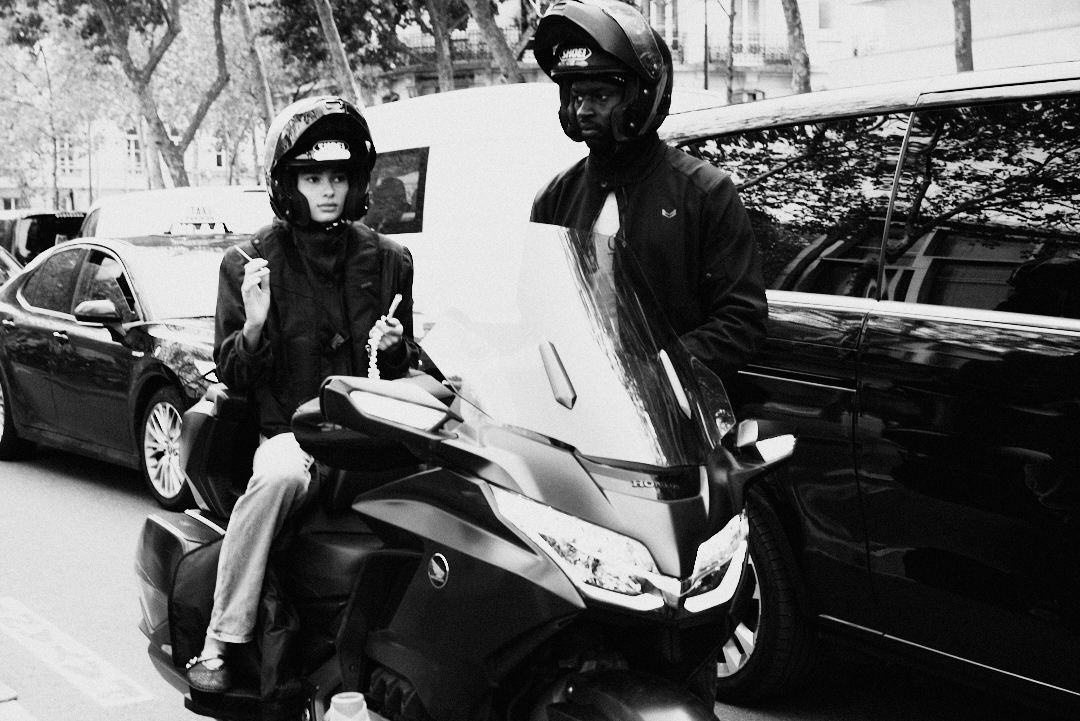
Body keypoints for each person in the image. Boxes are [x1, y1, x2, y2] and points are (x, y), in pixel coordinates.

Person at [185, 95, 419, 693]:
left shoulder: (390, 260)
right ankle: (220, 638)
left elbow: (402, 367)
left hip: (370, 436)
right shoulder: (250, 261)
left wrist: (395, 348)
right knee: (277, 479)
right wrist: (255, 324)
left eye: (338, 176)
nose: (327, 190)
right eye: (313, 178)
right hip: (293, 436)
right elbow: (233, 373)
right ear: (288, 184)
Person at [530, 0, 767, 381]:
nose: (584, 110)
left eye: (600, 97)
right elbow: (538, 312)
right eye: (576, 97)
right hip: (581, 401)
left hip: (675, 408)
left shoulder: (704, 193)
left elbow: (741, 322)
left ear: (639, 98)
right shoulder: (555, 198)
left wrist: (658, 373)